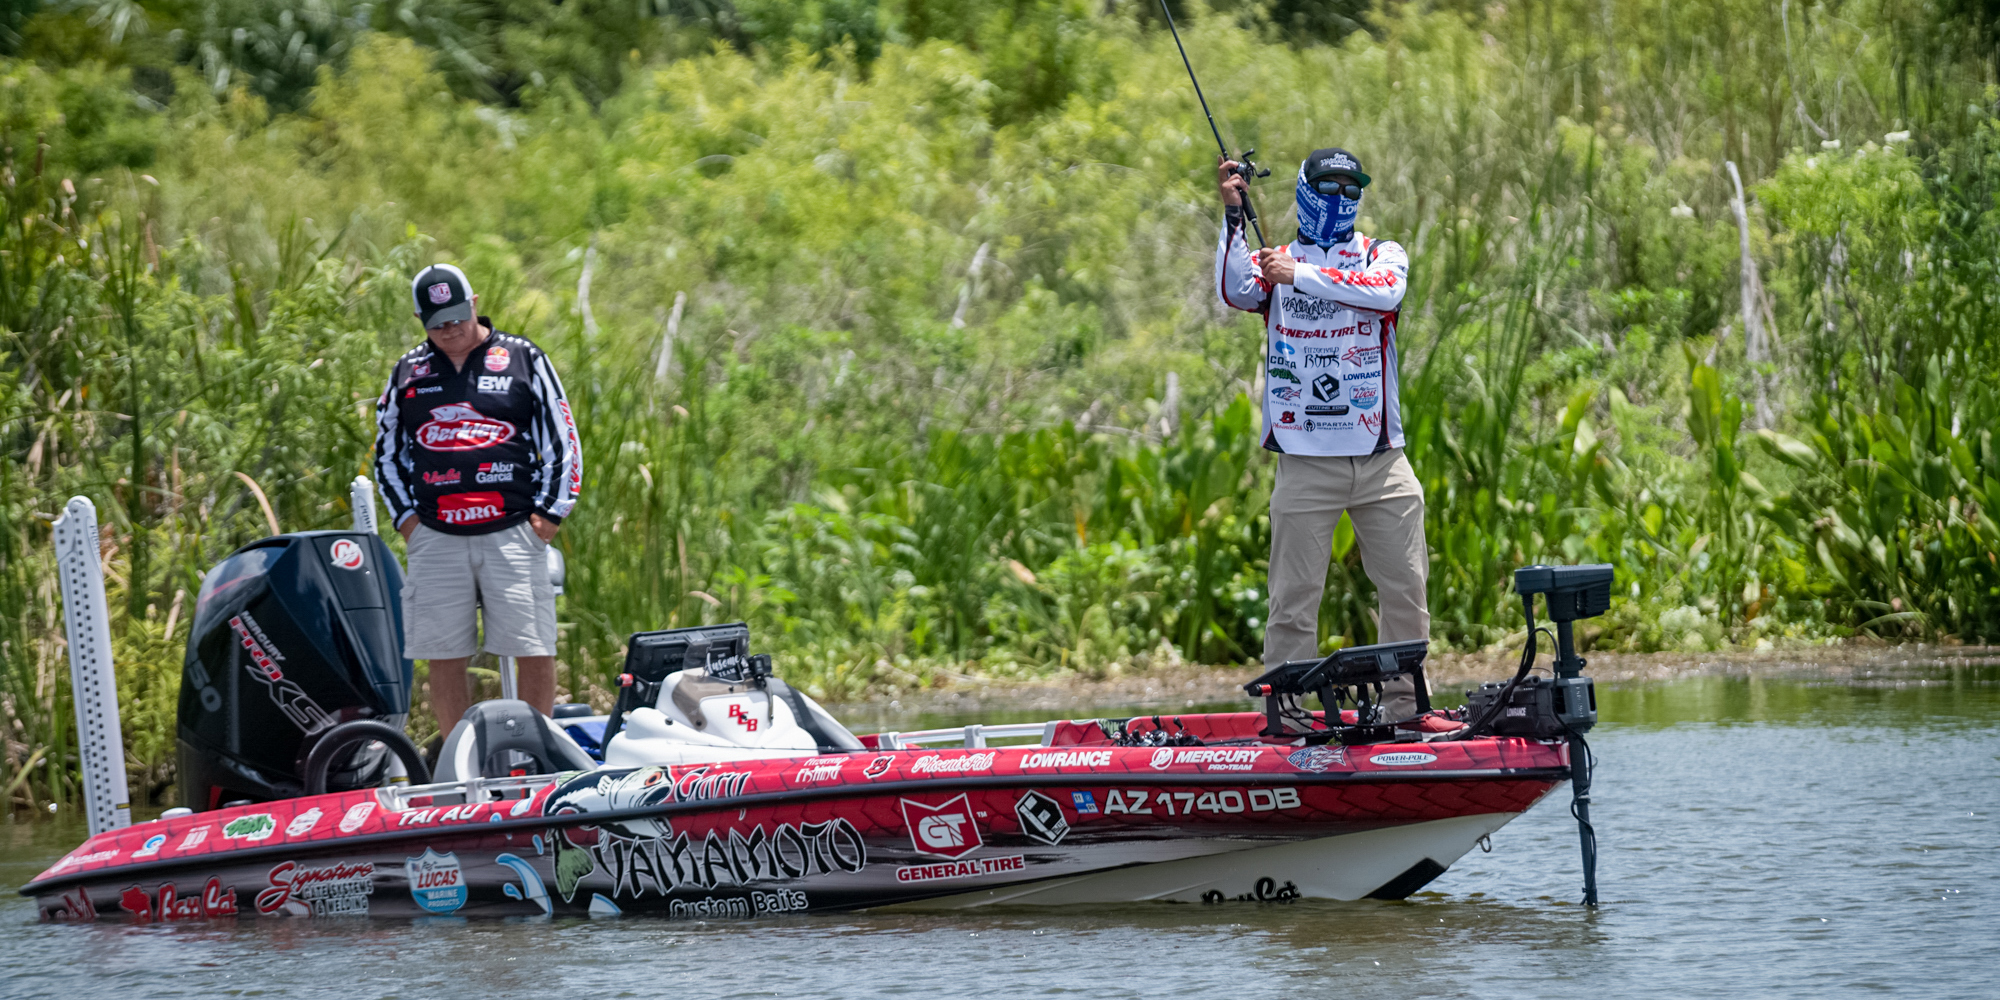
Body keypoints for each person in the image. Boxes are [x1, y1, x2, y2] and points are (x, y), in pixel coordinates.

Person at [1216, 148, 1429, 718]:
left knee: (1406, 589)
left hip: (1382, 458)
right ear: (1306, 190)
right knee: (1292, 600)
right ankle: (1287, 712)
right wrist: (1235, 215)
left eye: (1350, 188)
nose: (1341, 198)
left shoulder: (1382, 254)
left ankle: (1404, 707)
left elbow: (1385, 292)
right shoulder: (1275, 260)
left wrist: (1302, 275)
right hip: (1306, 460)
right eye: (1329, 186)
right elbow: (1238, 289)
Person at [373, 263, 582, 727]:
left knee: (533, 645)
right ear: (419, 320)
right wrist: (407, 521)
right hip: (436, 535)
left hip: (513, 529)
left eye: (456, 318)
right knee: (444, 653)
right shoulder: (408, 370)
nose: (449, 331)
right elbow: (386, 454)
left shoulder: (523, 357)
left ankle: (538, 758)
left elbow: (563, 441)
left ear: (475, 304)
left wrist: (549, 515)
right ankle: (460, 765)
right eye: (436, 324)